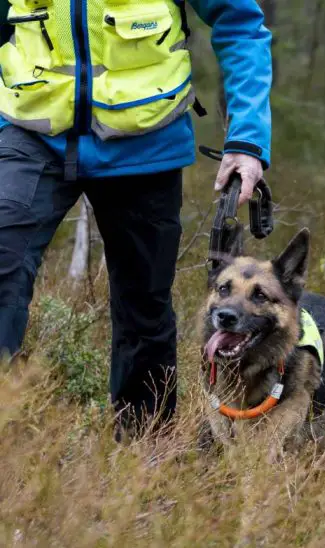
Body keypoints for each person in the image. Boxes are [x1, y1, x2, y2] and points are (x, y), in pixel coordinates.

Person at [0, 0, 272, 438]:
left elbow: (239, 22)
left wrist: (248, 137)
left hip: (145, 142)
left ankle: (144, 452)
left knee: (143, 306)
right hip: (31, 132)